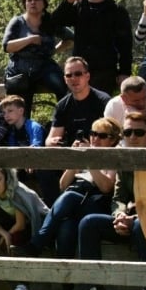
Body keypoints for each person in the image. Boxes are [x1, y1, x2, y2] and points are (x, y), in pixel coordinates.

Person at [13, 117, 122, 264]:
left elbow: (106, 187)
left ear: (112, 140)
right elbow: (63, 185)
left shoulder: (114, 157)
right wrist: (76, 158)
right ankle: (66, 285)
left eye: (101, 136)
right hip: (74, 204)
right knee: (66, 227)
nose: (95, 139)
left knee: (69, 197)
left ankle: (36, 244)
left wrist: (89, 160)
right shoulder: (85, 153)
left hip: (96, 204)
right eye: (93, 134)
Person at [76, 112, 146, 290]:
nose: (133, 137)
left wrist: (134, 217)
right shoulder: (124, 160)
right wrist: (119, 215)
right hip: (129, 220)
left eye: (138, 132)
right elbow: (118, 198)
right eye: (128, 132)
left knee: (139, 225)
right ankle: (96, 289)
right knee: (89, 222)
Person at [39, 57, 111, 204]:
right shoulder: (62, 105)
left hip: (99, 155)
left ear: (87, 76)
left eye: (78, 74)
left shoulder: (104, 101)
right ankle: (52, 207)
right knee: (42, 169)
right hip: (71, 156)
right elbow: (50, 139)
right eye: (69, 75)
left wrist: (90, 149)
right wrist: (52, 142)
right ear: (64, 79)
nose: (73, 78)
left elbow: (112, 137)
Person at [51, 0, 133, 94]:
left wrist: (124, 72)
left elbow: (125, 44)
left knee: (99, 112)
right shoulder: (78, 7)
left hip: (105, 71)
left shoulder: (116, 10)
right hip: (78, 71)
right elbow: (53, 23)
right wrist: (68, 1)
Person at [0, 166, 49, 290]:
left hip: (30, 224)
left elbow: (20, 224)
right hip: (11, 223)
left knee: (17, 239)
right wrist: (4, 235)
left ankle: (23, 284)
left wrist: (7, 237)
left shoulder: (16, 192)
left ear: (7, 178)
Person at [2, 0, 72, 114]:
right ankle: (23, 131)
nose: (33, 2)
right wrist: (30, 39)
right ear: (25, 4)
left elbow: (70, 38)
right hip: (20, 68)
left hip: (44, 66)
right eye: (29, 0)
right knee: (21, 107)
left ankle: (63, 123)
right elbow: (7, 46)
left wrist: (53, 51)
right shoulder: (17, 22)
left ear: (44, 3)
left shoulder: (50, 21)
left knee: (63, 87)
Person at [103, 75, 146, 141]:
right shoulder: (113, 105)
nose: (142, 103)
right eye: (136, 101)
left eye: (144, 98)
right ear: (123, 98)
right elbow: (107, 136)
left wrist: (141, 119)